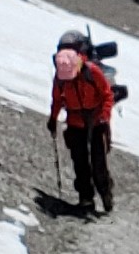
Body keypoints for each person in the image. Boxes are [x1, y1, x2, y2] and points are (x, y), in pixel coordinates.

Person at [48, 43, 114, 213]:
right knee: (80, 163)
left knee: (98, 163)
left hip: (96, 122)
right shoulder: (61, 78)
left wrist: (104, 116)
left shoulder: (92, 71)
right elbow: (57, 100)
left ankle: (105, 193)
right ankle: (86, 199)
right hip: (75, 124)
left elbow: (107, 95)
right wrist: (53, 119)